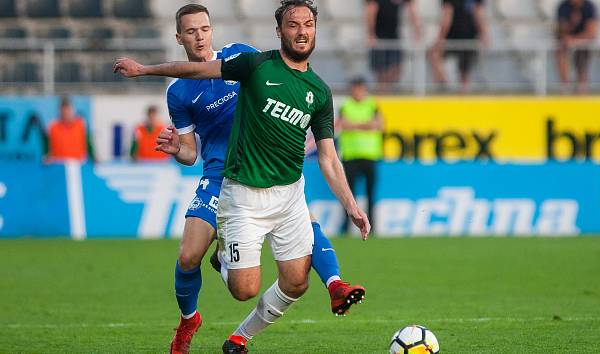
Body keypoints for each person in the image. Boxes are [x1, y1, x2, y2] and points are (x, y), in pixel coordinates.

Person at [116, 4, 366, 354]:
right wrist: (177, 147)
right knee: (189, 256)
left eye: (204, 28)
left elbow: (303, 117)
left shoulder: (242, 56)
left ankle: (333, 283)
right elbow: (191, 153)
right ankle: (189, 319)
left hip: (267, 168)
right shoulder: (179, 93)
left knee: (303, 221)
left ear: (212, 30)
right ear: (179, 37)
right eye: (191, 31)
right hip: (221, 174)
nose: (200, 35)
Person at [338, 77, 383, 234]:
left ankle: (372, 226)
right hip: (350, 156)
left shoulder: (372, 104)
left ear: (364, 89)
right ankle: (346, 226)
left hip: (370, 156)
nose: (357, 91)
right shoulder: (346, 105)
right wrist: (366, 124)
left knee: (371, 194)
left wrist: (354, 125)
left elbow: (378, 125)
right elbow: (342, 124)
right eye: (355, 88)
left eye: (359, 88)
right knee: (348, 194)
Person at [428, 0, 488, 93]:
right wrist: (484, 34)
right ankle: (451, 89)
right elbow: (478, 15)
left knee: (434, 54)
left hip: (458, 38)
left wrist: (439, 39)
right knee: (464, 75)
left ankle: (445, 87)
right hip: (466, 38)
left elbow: (447, 18)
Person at [365, 0, 421, 92]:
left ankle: (384, 90)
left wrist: (417, 31)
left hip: (394, 38)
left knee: (397, 68)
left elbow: (412, 11)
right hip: (380, 39)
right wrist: (371, 34)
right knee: (381, 72)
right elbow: (371, 13)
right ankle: (381, 92)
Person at [555, 0, 599, 94]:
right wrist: (572, 24)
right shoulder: (563, 6)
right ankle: (565, 86)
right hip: (567, 42)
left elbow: (591, 33)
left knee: (581, 59)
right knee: (560, 51)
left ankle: (581, 90)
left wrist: (575, 39)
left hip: (583, 43)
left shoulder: (589, 7)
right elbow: (562, 31)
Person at [45, 97, 95, 162]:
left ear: (72, 110)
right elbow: (47, 147)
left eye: (68, 110)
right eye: (64, 110)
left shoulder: (81, 124)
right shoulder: (52, 127)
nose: (66, 113)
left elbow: (89, 144)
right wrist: (47, 157)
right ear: (60, 111)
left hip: (78, 164)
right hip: (59, 164)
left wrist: (93, 157)